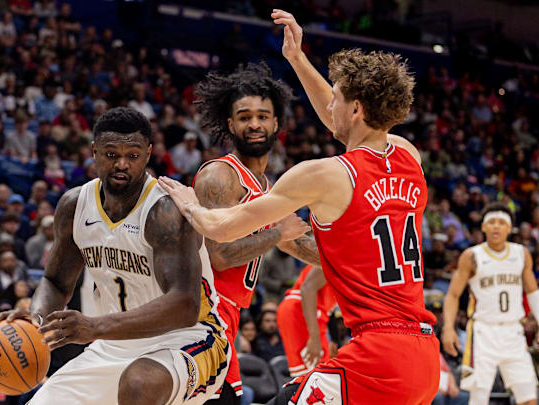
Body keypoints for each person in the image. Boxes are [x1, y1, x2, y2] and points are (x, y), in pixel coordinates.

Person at [158, 11, 439, 404]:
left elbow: (221, 230)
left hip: (377, 355)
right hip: (424, 356)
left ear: (355, 108)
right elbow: (344, 121)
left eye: (338, 98)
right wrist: (297, 58)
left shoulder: (324, 175)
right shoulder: (409, 157)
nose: (330, 107)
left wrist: (192, 207)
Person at [0, 107, 229, 404]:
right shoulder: (74, 206)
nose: (122, 164)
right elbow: (55, 281)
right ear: (94, 151)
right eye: (112, 154)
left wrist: (93, 327)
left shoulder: (165, 211)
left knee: (140, 383)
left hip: (189, 340)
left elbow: (185, 305)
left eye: (133, 155)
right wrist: (35, 319)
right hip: (113, 346)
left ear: (149, 153)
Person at [191, 62, 320, 404]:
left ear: (276, 123)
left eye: (263, 116)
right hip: (200, 314)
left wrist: (351, 261)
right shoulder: (221, 177)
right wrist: (276, 234)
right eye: (245, 116)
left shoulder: (267, 189)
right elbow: (218, 256)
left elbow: (296, 242)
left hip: (228, 315)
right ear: (231, 124)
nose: (255, 124)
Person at [442, 203, 539, 405]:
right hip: (482, 333)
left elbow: (533, 292)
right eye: (491, 222)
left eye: (501, 223)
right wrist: (448, 328)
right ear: (483, 227)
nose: (496, 227)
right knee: (479, 398)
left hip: (514, 332)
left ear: (509, 228)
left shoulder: (521, 254)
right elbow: (452, 295)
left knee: (528, 397)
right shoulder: (472, 256)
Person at [276, 265, 336, 377]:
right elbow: (307, 288)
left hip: (311, 313)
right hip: (301, 309)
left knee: (316, 376)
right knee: (315, 377)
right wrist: (314, 337)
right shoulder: (339, 253)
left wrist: (334, 340)